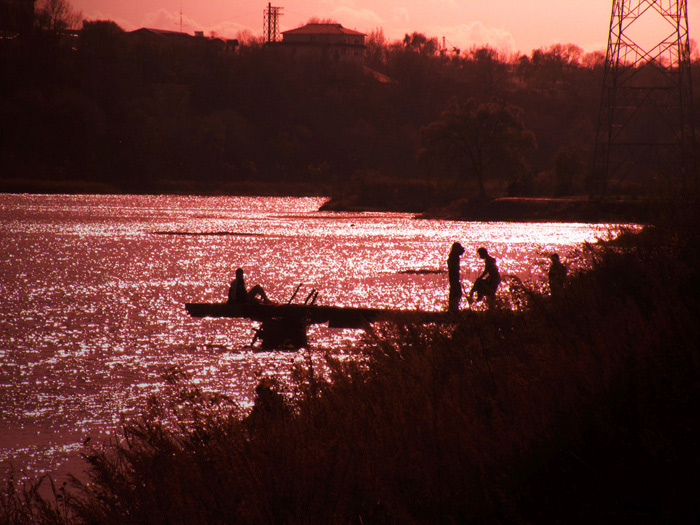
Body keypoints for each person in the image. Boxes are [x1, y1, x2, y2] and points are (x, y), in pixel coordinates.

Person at [447, 242, 465, 313]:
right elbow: (453, 268)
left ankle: (453, 308)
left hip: (454, 277)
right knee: (456, 292)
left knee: (456, 292)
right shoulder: (454, 257)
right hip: (454, 278)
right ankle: (453, 309)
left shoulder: (454, 256)